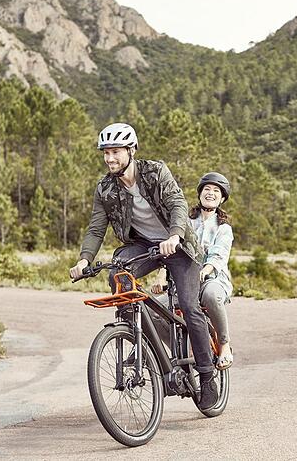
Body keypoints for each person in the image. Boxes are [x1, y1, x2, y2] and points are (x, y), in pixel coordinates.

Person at [68, 122, 219, 410]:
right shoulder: (105, 188)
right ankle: (139, 340)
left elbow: (177, 204)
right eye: (105, 153)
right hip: (143, 247)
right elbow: (96, 228)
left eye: (115, 152)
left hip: (179, 246)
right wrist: (84, 259)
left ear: (131, 150)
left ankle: (207, 375)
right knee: (117, 274)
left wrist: (174, 235)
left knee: (189, 306)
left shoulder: (155, 171)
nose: (109, 158)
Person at [154, 172, 235, 370]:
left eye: (216, 191)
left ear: (222, 198)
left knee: (210, 296)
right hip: (182, 281)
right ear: (199, 193)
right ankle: (180, 349)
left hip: (211, 279)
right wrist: (161, 275)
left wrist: (204, 270)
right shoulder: (185, 223)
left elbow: (218, 256)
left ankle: (224, 345)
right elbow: (171, 250)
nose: (211, 193)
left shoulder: (223, 228)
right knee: (153, 310)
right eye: (207, 189)